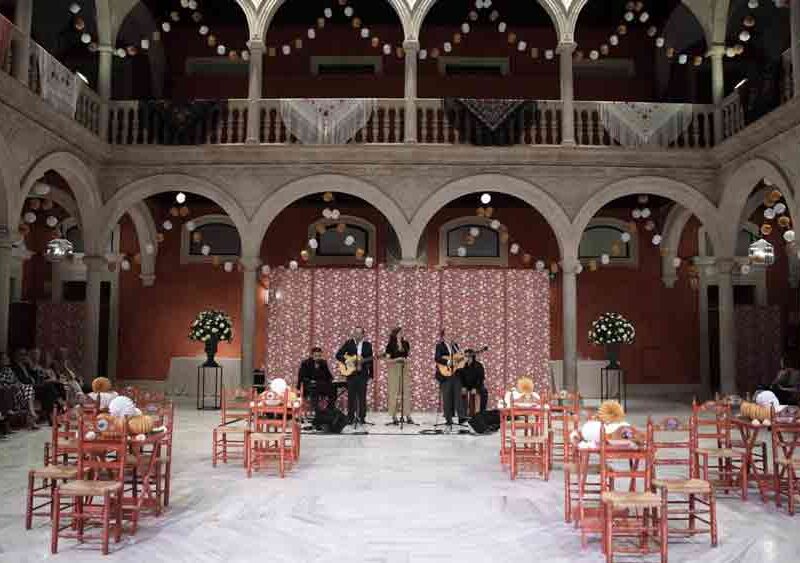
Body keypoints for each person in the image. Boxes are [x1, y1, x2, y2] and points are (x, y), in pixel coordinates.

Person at [11, 349, 61, 424]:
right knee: (49, 387)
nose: (24, 356)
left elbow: (34, 373)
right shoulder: (13, 366)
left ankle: (51, 415)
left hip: (33, 386)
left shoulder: (26, 365)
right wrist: (32, 381)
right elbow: (21, 380)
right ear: (16, 356)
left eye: (25, 354)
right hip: (24, 387)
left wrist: (30, 363)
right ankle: (52, 413)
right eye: (22, 354)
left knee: (49, 389)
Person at [336, 327, 373, 426]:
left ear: (363, 335)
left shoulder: (368, 345)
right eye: (355, 333)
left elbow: (371, 360)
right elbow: (338, 355)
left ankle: (361, 417)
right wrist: (348, 361)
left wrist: (371, 374)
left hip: (363, 374)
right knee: (351, 396)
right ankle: (350, 417)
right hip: (351, 374)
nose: (357, 335)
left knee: (362, 396)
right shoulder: (348, 343)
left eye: (359, 333)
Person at [435, 329, 465, 430]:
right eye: (448, 334)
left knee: (458, 396)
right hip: (445, 374)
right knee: (447, 397)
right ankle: (448, 420)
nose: (451, 336)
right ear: (443, 336)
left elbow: (459, 358)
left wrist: (462, 357)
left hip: (455, 374)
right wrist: (448, 362)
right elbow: (437, 358)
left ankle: (462, 418)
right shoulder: (440, 346)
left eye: (452, 334)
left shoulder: (455, 346)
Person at [0, 351, 38, 429]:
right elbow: (3, 383)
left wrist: (19, 385)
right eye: (5, 358)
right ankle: (31, 417)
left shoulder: (8, 369)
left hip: (16, 390)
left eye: (7, 358)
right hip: (8, 391)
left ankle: (31, 412)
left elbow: (17, 380)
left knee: (28, 388)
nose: (8, 359)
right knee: (10, 390)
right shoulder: (7, 369)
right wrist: (13, 385)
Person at [385, 327, 412, 424]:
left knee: (405, 392)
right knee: (394, 392)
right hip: (394, 369)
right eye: (400, 332)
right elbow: (387, 360)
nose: (402, 334)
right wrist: (397, 359)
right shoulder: (390, 345)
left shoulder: (406, 343)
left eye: (402, 332)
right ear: (395, 334)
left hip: (404, 368)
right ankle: (394, 415)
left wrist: (406, 360)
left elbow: (408, 356)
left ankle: (408, 415)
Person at [297, 347, 334, 417]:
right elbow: (302, 377)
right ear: (311, 355)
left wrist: (331, 380)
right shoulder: (305, 363)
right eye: (316, 356)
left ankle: (330, 411)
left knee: (333, 389)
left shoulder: (323, 363)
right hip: (309, 385)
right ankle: (317, 414)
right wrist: (311, 381)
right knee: (315, 389)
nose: (318, 357)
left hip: (321, 385)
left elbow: (329, 376)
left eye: (319, 356)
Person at [459, 349, 488, 415]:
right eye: (465, 356)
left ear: (471, 357)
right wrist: (463, 386)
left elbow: (481, 378)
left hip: (477, 385)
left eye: (467, 356)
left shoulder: (478, 365)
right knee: (460, 392)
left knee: (484, 391)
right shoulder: (462, 365)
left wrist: (475, 387)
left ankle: (481, 412)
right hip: (467, 385)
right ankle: (463, 414)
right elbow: (461, 378)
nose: (465, 357)